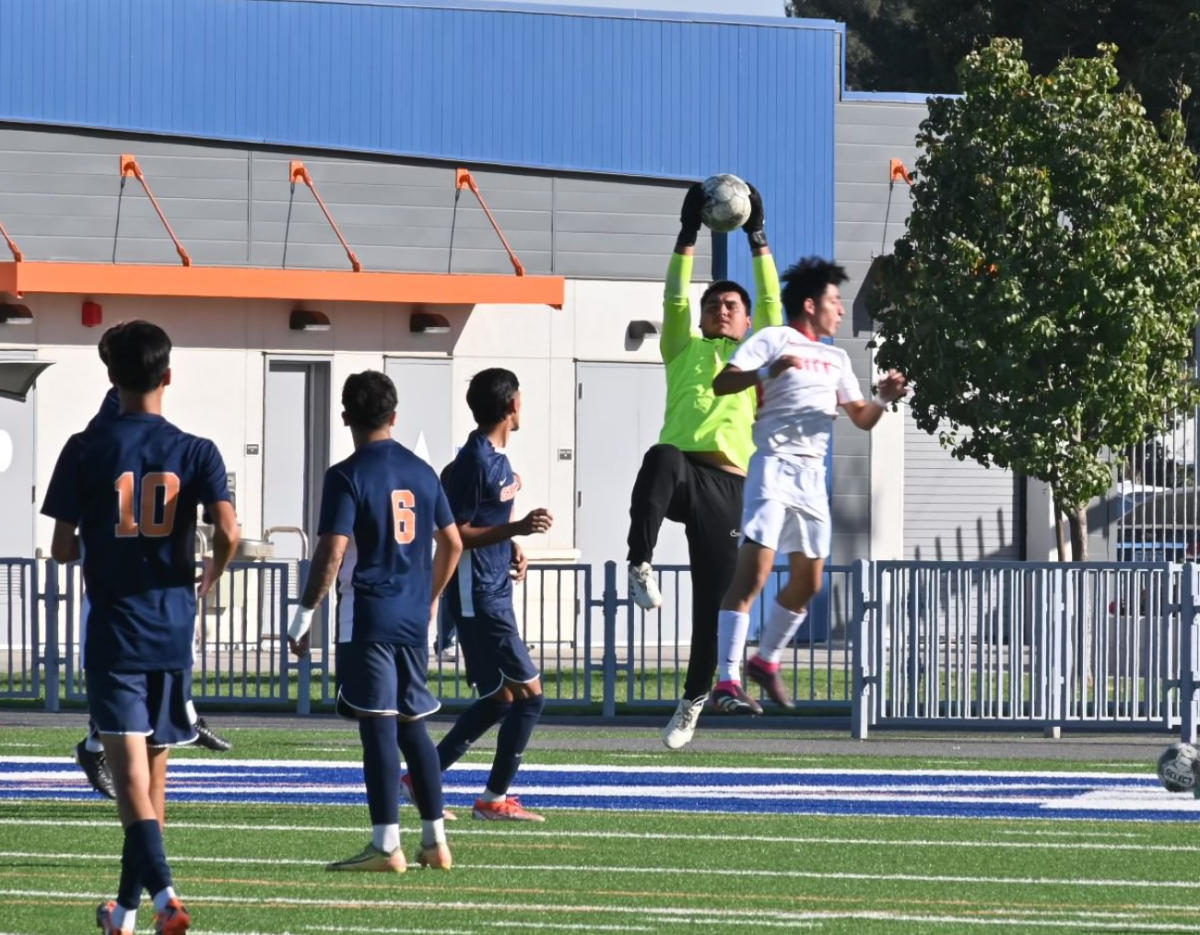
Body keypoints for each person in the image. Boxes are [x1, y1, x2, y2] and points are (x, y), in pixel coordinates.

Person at [41, 320, 240, 935]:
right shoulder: (198, 449)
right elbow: (229, 532)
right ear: (168, 376)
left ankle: (164, 897)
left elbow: (61, 549)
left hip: (116, 626)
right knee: (154, 773)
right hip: (174, 624)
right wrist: (209, 577)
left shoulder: (85, 447)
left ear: (111, 377)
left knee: (126, 770)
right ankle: (124, 914)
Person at [625, 182, 784, 749]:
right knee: (661, 455)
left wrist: (757, 235)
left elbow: (771, 304)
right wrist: (688, 233)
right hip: (682, 475)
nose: (723, 308)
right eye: (714, 303)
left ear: (745, 322)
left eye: (732, 306)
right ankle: (638, 564)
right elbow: (672, 297)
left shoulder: (754, 351)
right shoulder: (683, 347)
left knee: (712, 604)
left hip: (728, 486)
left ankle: (694, 697)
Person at [711, 257, 907, 714]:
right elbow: (723, 383)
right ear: (809, 304)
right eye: (834, 301)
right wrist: (767, 372)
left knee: (809, 580)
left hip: (812, 477)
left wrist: (882, 396)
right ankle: (726, 680)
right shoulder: (773, 339)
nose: (840, 311)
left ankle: (767, 661)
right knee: (754, 574)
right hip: (774, 467)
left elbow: (860, 418)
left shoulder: (837, 357)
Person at [288, 371, 462, 872]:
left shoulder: (346, 474)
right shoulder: (423, 471)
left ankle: (387, 845)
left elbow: (332, 550)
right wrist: (429, 598)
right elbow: (451, 542)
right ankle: (435, 841)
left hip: (368, 615)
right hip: (411, 618)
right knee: (414, 729)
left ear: (346, 418)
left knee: (379, 728)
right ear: (394, 415)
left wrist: (303, 615)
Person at [73, 338, 232, 802]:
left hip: (151, 591)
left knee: (171, 663)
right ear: (166, 375)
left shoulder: (112, 431)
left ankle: (178, 713)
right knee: (141, 768)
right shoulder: (112, 429)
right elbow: (228, 530)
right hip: (125, 587)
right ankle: (99, 740)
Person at [402, 368, 550, 822]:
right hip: (478, 597)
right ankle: (492, 799)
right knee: (531, 697)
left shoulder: (495, 459)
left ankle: (419, 778)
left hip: (493, 589)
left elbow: (483, 522)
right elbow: (455, 533)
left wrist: (513, 546)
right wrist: (517, 528)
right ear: (511, 407)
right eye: (521, 399)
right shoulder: (473, 462)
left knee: (501, 699)